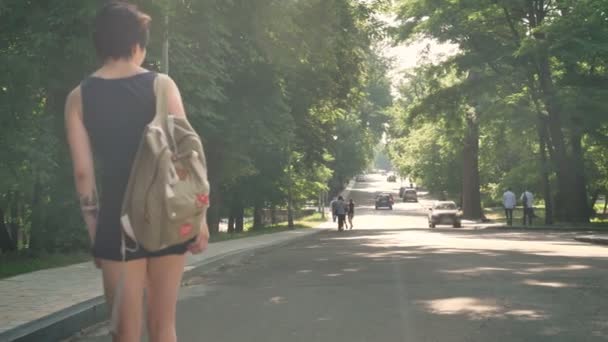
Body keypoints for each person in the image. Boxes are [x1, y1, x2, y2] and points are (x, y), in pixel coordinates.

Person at [64, 3, 208, 341]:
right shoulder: (163, 86)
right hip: (168, 216)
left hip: (117, 222)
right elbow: (189, 159)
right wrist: (199, 217)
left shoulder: (79, 97)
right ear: (137, 45)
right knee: (163, 326)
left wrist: (97, 234)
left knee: (124, 333)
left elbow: (84, 175)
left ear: (99, 45)